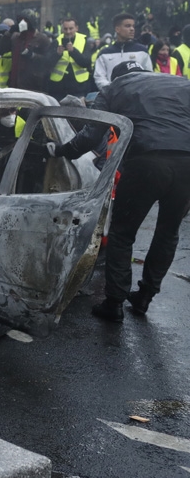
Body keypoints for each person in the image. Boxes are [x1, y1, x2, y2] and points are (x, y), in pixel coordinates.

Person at [47, 62, 190, 322]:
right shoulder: (182, 83)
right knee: (168, 232)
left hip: (146, 161)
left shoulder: (114, 87)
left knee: (123, 234)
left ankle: (113, 303)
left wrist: (60, 151)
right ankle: (145, 296)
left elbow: (91, 137)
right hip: (187, 163)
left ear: (116, 76)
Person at [92, 13, 152, 92]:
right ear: (117, 29)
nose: (132, 29)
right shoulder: (104, 53)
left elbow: (149, 75)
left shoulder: (142, 51)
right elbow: (99, 77)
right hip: (112, 98)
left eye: (133, 26)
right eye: (127, 26)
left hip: (137, 97)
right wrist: (111, 91)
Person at [48, 18, 93, 100]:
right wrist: (57, 54)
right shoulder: (56, 41)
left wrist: (73, 51)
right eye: (65, 29)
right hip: (58, 88)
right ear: (62, 29)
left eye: (71, 29)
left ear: (76, 28)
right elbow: (47, 63)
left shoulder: (84, 40)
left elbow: (87, 62)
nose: (68, 32)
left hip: (79, 87)